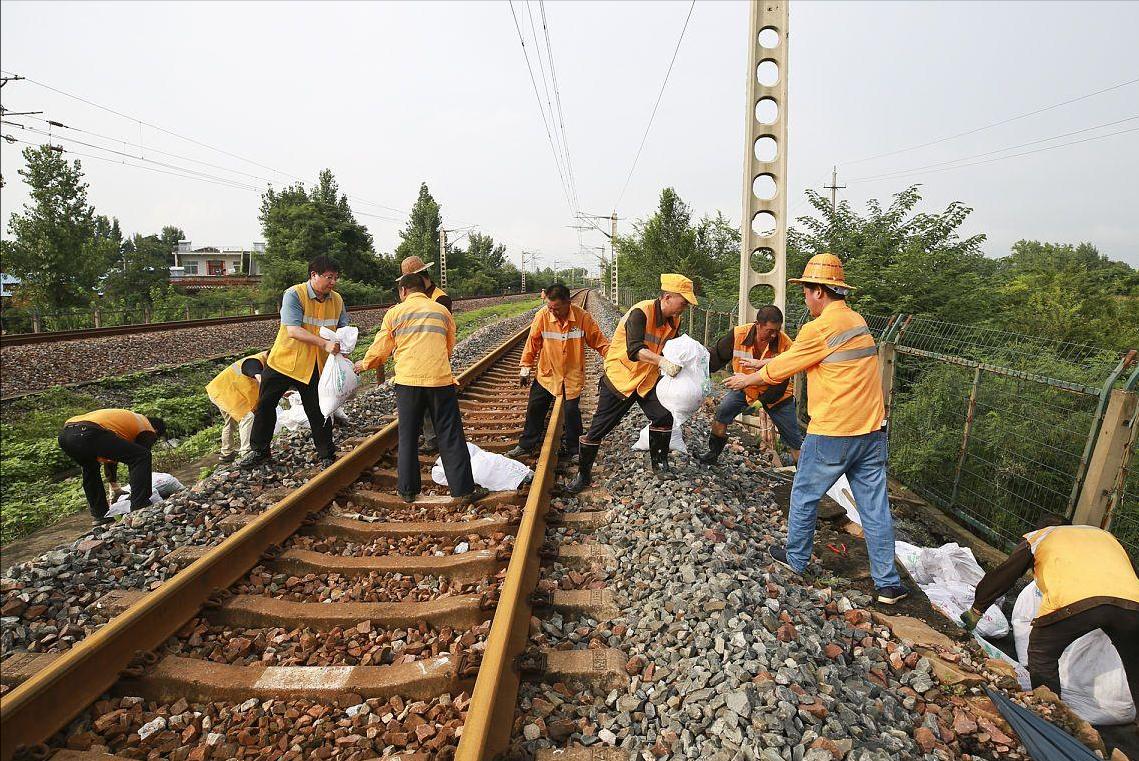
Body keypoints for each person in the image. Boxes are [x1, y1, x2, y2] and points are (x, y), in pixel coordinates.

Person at [732, 253, 908, 605]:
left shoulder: (818, 327)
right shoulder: (856, 320)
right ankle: (888, 585)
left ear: (818, 292)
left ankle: (796, 559)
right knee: (874, 508)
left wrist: (746, 378)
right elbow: (802, 357)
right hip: (872, 431)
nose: (805, 300)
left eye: (806, 292)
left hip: (833, 432)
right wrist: (763, 360)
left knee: (805, 494)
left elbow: (783, 369)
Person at [961, 516, 1139, 700]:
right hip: (1132, 605)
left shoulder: (1040, 537)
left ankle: (1051, 714)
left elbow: (1005, 575)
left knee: (1041, 653)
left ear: (1039, 529)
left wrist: (977, 609)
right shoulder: (1106, 536)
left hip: (1074, 602)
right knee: (1136, 665)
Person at [355, 273, 486, 504]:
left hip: (408, 383)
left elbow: (380, 350)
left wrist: (363, 364)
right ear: (424, 289)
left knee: (408, 436)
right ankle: (463, 490)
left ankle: (407, 491)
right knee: (450, 435)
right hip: (440, 382)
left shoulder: (395, 313)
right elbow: (448, 346)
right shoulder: (441, 311)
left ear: (403, 291)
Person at [564, 274, 697, 494]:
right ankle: (583, 475)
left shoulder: (674, 320)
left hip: (647, 379)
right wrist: (662, 361)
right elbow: (634, 350)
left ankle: (660, 465)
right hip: (621, 379)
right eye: (683, 302)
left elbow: (670, 346)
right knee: (598, 430)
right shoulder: (640, 313)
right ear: (667, 297)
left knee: (664, 416)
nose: (685, 308)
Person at [240, 255, 347, 469]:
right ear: (313, 275)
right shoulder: (294, 294)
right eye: (329, 277)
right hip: (284, 362)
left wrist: (345, 343)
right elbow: (293, 330)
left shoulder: (337, 300)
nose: (333, 282)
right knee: (265, 406)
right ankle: (260, 451)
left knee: (319, 410)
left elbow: (343, 327)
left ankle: (326, 453)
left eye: (335, 278)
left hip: (315, 365)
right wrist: (324, 344)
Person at [507, 283, 610, 462]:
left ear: (568, 302)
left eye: (556, 308)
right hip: (548, 373)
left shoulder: (582, 317)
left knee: (571, 412)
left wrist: (614, 362)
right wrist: (525, 367)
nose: (552, 311)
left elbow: (599, 342)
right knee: (535, 407)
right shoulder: (543, 316)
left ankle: (574, 449)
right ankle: (526, 445)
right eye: (549, 307)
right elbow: (533, 342)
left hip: (571, 375)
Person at [699, 305, 803, 465]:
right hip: (745, 388)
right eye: (770, 330)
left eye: (777, 330)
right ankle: (712, 455)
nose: (774, 335)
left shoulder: (785, 344)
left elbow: (780, 384)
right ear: (758, 325)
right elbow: (717, 357)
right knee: (722, 413)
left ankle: (803, 472)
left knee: (794, 439)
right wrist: (698, 369)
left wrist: (758, 405)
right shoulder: (739, 334)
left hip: (778, 396)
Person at [57, 408, 166, 522]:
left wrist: (115, 487)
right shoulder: (147, 428)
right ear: (156, 430)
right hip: (90, 431)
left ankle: (100, 514)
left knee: (90, 468)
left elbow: (112, 456)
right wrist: (137, 493)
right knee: (142, 456)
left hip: (66, 435)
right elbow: (138, 458)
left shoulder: (129, 422)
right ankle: (140, 505)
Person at [399, 255, 452, 454]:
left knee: (431, 405)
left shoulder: (441, 299)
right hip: (414, 358)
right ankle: (430, 436)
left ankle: (433, 439)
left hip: (432, 358)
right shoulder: (420, 298)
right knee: (424, 404)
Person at [206, 351, 267, 463]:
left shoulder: (259, 358)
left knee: (230, 422)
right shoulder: (256, 361)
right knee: (247, 417)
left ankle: (226, 452)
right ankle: (246, 451)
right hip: (225, 392)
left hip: (219, 389)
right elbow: (256, 375)